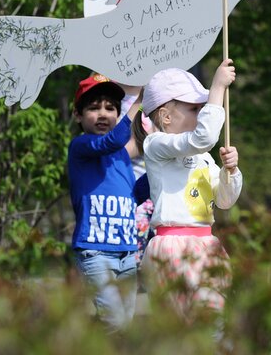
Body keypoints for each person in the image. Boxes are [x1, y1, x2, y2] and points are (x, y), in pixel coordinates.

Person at [134, 59, 241, 321]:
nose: (202, 113)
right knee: (179, 328)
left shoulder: (205, 158)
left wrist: (232, 172)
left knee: (212, 323)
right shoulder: (155, 145)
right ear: (166, 116)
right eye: (195, 108)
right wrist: (216, 89)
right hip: (172, 246)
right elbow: (203, 137)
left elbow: (225, 201)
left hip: (205, 242)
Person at [67, 74, 142, 332]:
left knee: (124, 325)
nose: (103, 114)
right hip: (95, 252)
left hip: (126, 254)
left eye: (110, 108)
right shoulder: (81, 146)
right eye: (94, 107)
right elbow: (113, 140)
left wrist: (160, 171)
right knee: (115, 323)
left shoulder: (121, 156)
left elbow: (134, 194)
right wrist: (138, 101)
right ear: (78, 115)